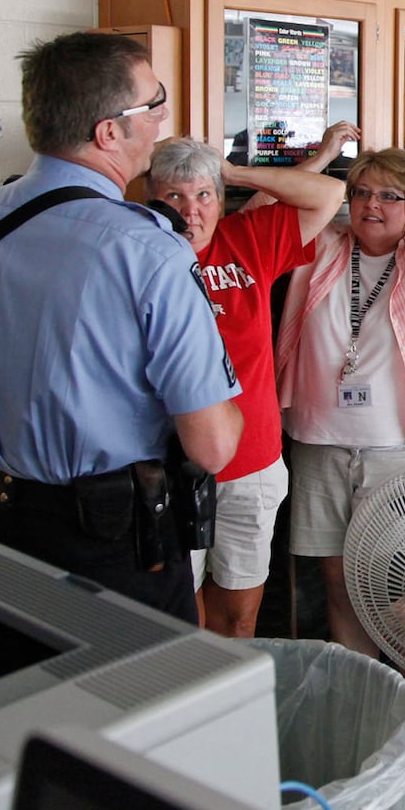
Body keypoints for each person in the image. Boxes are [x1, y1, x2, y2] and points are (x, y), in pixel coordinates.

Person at [0, 31, 242, 624]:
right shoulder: (149, 250)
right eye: (154, 103)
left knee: (28, 703)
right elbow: (214, 444)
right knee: (141, 709)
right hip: (117, 548)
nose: (164, 116)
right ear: (109, 132)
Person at [276, 130, 405, 657]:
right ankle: (362, 685)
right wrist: (321, 159)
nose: (373, 204)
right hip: (321, 440)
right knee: (337, 577)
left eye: (390, 195)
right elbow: (262, 210)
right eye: (362, 191)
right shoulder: (319, 243)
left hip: (402, 448)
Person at [144, 133, 346, 637]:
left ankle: (231, 709)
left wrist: (230, 172)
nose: (191, 211)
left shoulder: (246, 238)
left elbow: (327, 196)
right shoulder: (135, 256)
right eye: (174, 196)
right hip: (164, 467)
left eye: (203, 195)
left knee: (239, 614)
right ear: (150, 198)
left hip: (251, 462)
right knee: (176, 615)